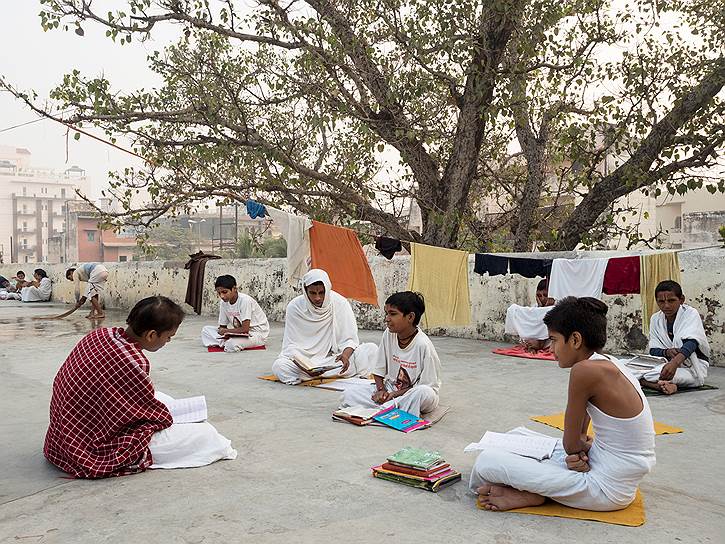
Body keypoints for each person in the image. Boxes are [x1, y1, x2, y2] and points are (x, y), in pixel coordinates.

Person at [471, 297, 655, 512]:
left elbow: (571, 445)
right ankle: (532, 490)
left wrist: (577, 452)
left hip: (606, 489)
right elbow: (580, 438)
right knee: (515, 436)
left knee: (487, 462)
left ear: (575, 340)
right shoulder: (608, 362)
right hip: (608, 467)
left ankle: (534, 494)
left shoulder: (584, 371)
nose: (550, 348)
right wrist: (581, 451)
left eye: (554, 339)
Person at [44, 296, 237, 478]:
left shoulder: (102, 334)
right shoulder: (134, 361)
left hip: (63, 434)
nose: (167, 342)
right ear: (152, 335)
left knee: (161, 398)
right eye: (168, 337)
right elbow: (146, 417)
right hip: (88, 444)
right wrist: (164, 417)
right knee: (206, 435)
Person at [339, 291, 441, 417]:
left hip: (412, 394)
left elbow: (427, 386)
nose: (387, 319)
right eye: (386, 313)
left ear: (410, 317)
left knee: (424, 393)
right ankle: (391, 409)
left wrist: (393, 395)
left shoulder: (423, 345)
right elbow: (379, 369)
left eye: (392, 314)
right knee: (348, 395)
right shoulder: (388, 334)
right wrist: (381, 390)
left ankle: (386, 408)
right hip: (391, 389)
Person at [271, 268, 377, 385]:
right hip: (304, 364)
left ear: (327, 289)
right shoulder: (295, 307)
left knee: (371, 350)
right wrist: (304, 367)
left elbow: (350, 340)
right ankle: (314, 375)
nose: (317, 298)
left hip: (334, 360)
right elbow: (291, 346)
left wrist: (345, 356)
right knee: (280, 366)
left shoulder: (340, 303)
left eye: (321, 293)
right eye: (312, 293)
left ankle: (316, 376)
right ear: (305, 291)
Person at [637, 280, 710, 395]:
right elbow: (653, 350)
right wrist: (667, 352)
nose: (666, 306)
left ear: (681, 300)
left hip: (691, 368)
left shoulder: (690, 314)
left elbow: (692, 342)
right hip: (665, 363)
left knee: (654, 374)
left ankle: (646, 382)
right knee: (624, 366)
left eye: (671, 301)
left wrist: (674, 363)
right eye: (661, 301)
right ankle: (660, 386)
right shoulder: (656, 319)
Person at [200, 274, 270, 351]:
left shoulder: (245, 301)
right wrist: (224, 331)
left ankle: (227, 343)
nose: (222, 296)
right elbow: (222, 326)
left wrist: (226, 331)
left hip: (256, 334)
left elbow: (245, 329)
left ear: (234, 289)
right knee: (206, 330)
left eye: (224, 292)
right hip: (238, 334)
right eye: (219, 293)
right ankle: (227, 342)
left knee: (231, 345)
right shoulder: (223, 303)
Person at [504, 279, 555, 352]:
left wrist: (544, 309)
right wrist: (540, 308)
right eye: (539, 295)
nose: (542, 298)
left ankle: (535, 345)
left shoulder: (557, 308)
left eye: (545, 295)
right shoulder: (534, 307)